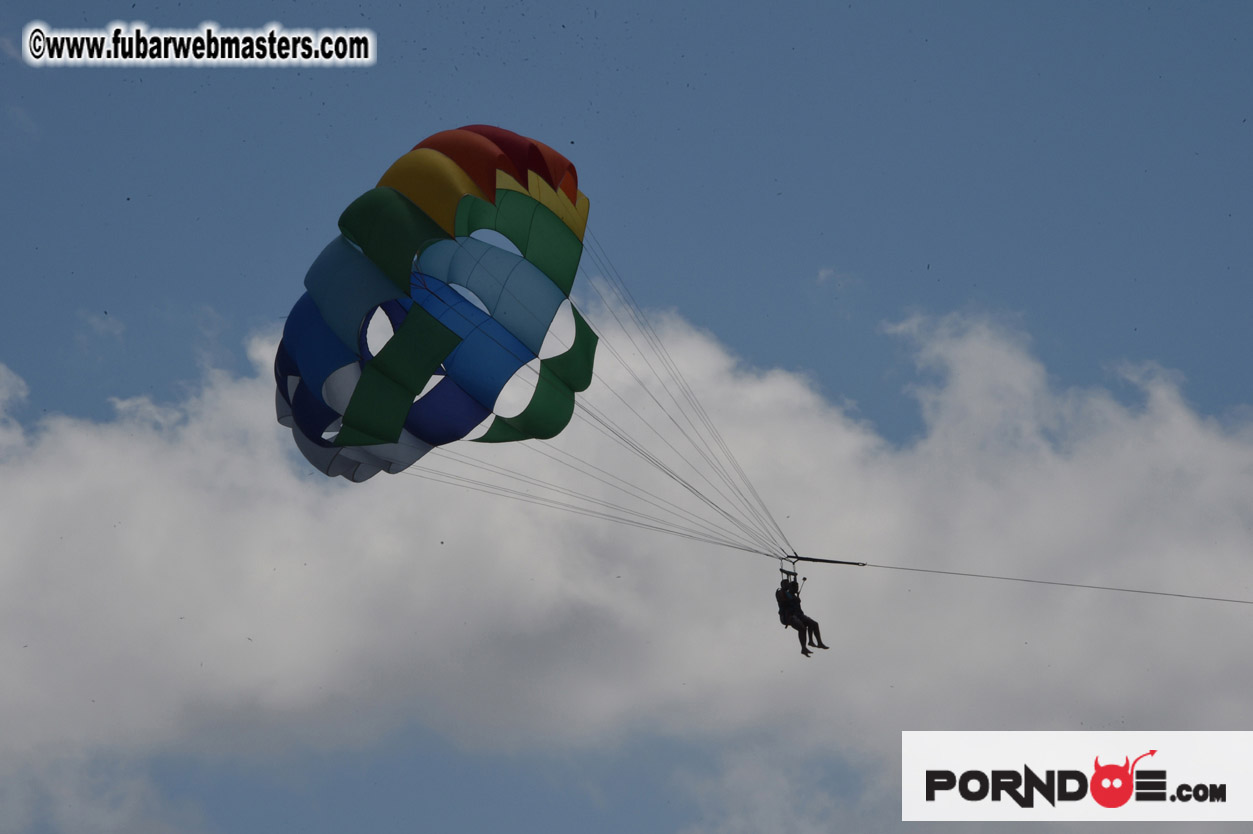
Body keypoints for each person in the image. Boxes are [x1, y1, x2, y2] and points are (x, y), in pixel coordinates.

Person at [776, 577, 829, 656]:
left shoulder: (793, 596)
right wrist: (793, 600)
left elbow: (799, 610)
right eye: (794, 587)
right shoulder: (781, 593)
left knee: (814, 624)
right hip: (787, 616)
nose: (796, 589)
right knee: (802, 628)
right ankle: (803, 648)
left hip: (797, 615)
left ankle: (816, 642)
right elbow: (784, 601)